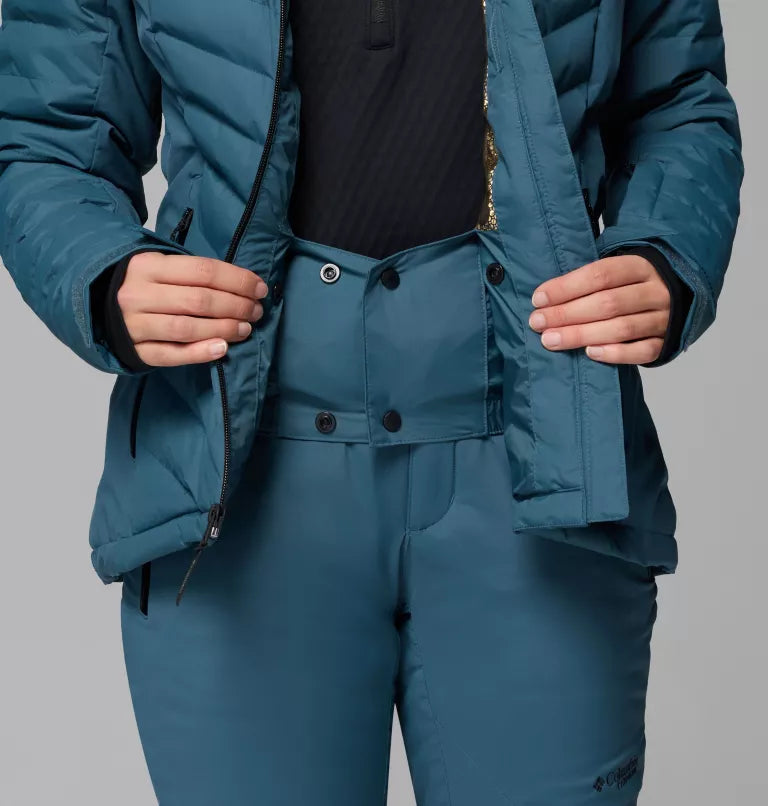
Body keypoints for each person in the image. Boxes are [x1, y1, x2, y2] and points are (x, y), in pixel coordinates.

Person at [0, 0, 742, 804]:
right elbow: (46, 129)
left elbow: (679, 100)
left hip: (542, 455)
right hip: (237, 472)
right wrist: (104, 272)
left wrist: (666, 251)